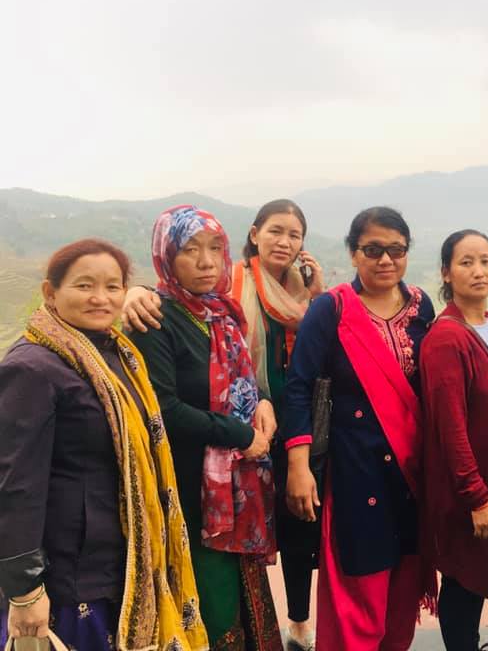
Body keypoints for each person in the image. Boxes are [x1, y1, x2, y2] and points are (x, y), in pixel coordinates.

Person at [123, 199, 325, 651]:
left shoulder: (221, 310)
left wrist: (263, 401)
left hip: (239, 486)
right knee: (212, 604)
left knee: (242, 594)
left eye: (214, 248)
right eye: (190, 249)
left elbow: (244, 376)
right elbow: (164, 409)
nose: (206, 262)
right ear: (166, 255)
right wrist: (242, 435)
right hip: (195, 488)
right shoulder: (156, 317)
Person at [0, 239, 208, 651]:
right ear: (50, 292)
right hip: (67, 576)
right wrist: (25, 590)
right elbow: (15, 486)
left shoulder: (116, 355)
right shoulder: (32, 368)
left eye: (113, 287)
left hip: (118, 565)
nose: (100, 298)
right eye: (84, 286)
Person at [282, 207, 437, 651]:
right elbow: (299, 386)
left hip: (411, 471)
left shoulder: (421, 306)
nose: (385, 260)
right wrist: (298, 465)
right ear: (353, 253)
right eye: (372, 250)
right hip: (355, 470)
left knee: (403, 584)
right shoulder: (331, 309)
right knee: (359, 584)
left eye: (396, 250)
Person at [420, 230, 488, 651]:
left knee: (474, 578)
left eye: (486, 261)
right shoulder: (446, 338)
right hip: (469, 488)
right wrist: (477, 497)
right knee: (463, 579)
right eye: (466, 262)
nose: (479, 271)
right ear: (446, 272)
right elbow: (450, 428)